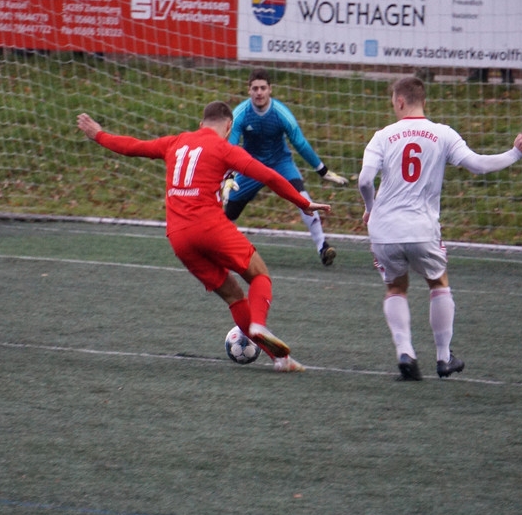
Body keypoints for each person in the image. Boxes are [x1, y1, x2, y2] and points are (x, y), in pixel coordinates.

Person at [77, 102, 333, 372]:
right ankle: (257, 323)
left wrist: (98, 135)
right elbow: (268, 175)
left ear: (201, 124)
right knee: (259, 274)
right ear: (229, 126)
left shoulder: (176, 142)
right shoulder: (224, 148)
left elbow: (132, 146)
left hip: (178, 238)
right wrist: (302, 203)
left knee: (234, 296)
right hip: (209, 227)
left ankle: (280, 360)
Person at [357, 76, 522, 380]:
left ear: (399, 101)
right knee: (438, 283)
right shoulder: (442, 134)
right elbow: (478, 165)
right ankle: (443, 357)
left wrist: (370, 209)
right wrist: (515, 153)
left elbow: (363, 181)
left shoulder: (382, 136)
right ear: (423, 101)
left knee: (395, 287)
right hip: (422, 229)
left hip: (384, 230)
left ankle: (405, 352)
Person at [223, 68, 347, 267]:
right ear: (249, 91)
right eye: (255, 88)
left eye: (263, 88)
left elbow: (300, 143)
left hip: (281, 163)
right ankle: (216, 247)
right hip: (251, 166)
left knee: (304, 200)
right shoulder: (240, 114)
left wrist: (322, 170)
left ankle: (323, 247)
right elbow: (231, 146)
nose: (259, 92)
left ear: (270, 89)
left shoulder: (281, 114)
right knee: (229, 212)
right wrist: (229, 175)